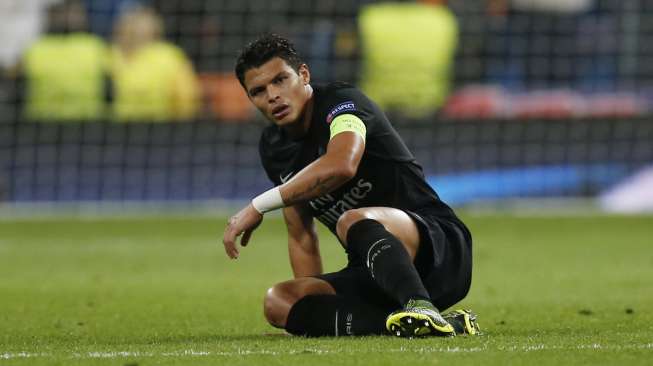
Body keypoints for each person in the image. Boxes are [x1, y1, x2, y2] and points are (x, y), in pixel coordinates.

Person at [222, 34, 478, 338]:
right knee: (279, 301)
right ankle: (419, 324)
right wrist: (311, 314)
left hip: (439, 247)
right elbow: (301, 235)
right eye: (259, 91)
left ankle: (420, 305)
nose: (273, 95)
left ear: (303, 74)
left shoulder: (343, 104)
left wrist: (258, 205)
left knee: (352, 219)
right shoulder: (274, 149)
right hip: (375, 269)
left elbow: (342, 164)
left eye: (280, 80)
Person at [110, 6, 199, 122]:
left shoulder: (170, 57)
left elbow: (187, 102)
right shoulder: (110, 56)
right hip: (118, 128)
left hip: (161, 127)